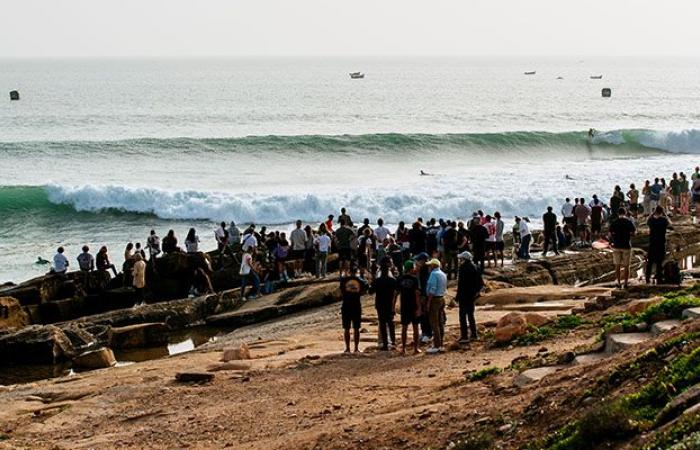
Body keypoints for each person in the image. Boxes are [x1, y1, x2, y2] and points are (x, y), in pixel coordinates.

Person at [340, 265, 368, 353]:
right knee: (356, 328)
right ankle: (356, 348)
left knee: (346, 328)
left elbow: (342, 290)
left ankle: (347, 348)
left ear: (349, 271)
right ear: (357, 272)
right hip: (356, 304)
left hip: (346, 304)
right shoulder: (360, 280)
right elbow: (365, 288)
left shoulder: (344, 280)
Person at [456, 251, 483, 343]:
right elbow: (481, 283)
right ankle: (474, 334)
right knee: (471, 315)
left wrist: (457, 297)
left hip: (464, 295)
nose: (459, 260)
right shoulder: (476, 267)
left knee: (462, 316)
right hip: (472, 295)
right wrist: (477, 292)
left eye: (460, 259)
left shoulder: (462, 268)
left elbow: (461, 284)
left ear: (464, 259)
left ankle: (464, 336)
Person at [371, 259, 398, 351]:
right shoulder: (392, 280)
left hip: (380, 303)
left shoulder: (378, 281)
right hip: (390, 303)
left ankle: (385, 344)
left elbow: (370, 291)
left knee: (382, 323)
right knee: (390, 323)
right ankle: (393, 342)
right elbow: (396, 292)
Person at [397, 260, 422, 355]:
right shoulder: (415, 279)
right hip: (413, 306)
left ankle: (403, 348)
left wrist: (394, 306)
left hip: (404, 305)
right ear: (411, 268)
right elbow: (417, 294)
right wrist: (419, 307)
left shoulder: (400, 279)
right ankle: (416, 348)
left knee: (404, 327)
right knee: (415, 327)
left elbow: (396, 293)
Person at [609, 208, 636, 289]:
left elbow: (610, 233)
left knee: (617, 265)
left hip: (616, 245)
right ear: (625, 213)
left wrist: (613, 239)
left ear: (618, 213)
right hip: (626, 245)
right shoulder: (628, 221)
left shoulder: (614, 222)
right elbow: (633, 232)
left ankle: (618, 281)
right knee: (626, 266)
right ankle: (626, 282)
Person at [425, 259, 447, 354]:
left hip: (434, 299)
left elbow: (432, 289)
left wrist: (428, 302)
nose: (429, 267)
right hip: (442, 298)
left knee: (434, 323)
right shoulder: (443, 274)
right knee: (440, 322)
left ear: (433, 266)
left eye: (430, 265)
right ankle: (441, 343)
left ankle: (437, 345)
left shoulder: (433, 274)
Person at [646, 206, 671, 284]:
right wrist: (665, 215)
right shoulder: (664, 220)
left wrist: (652, 214)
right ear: (662, 212)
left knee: (650, 262)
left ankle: (647, 278)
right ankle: (659, 278)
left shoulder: (651, 220)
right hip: (661, 243)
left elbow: (647, 221)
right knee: (659, 262)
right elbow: (670, 224)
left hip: (652, 243)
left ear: (655, 211)